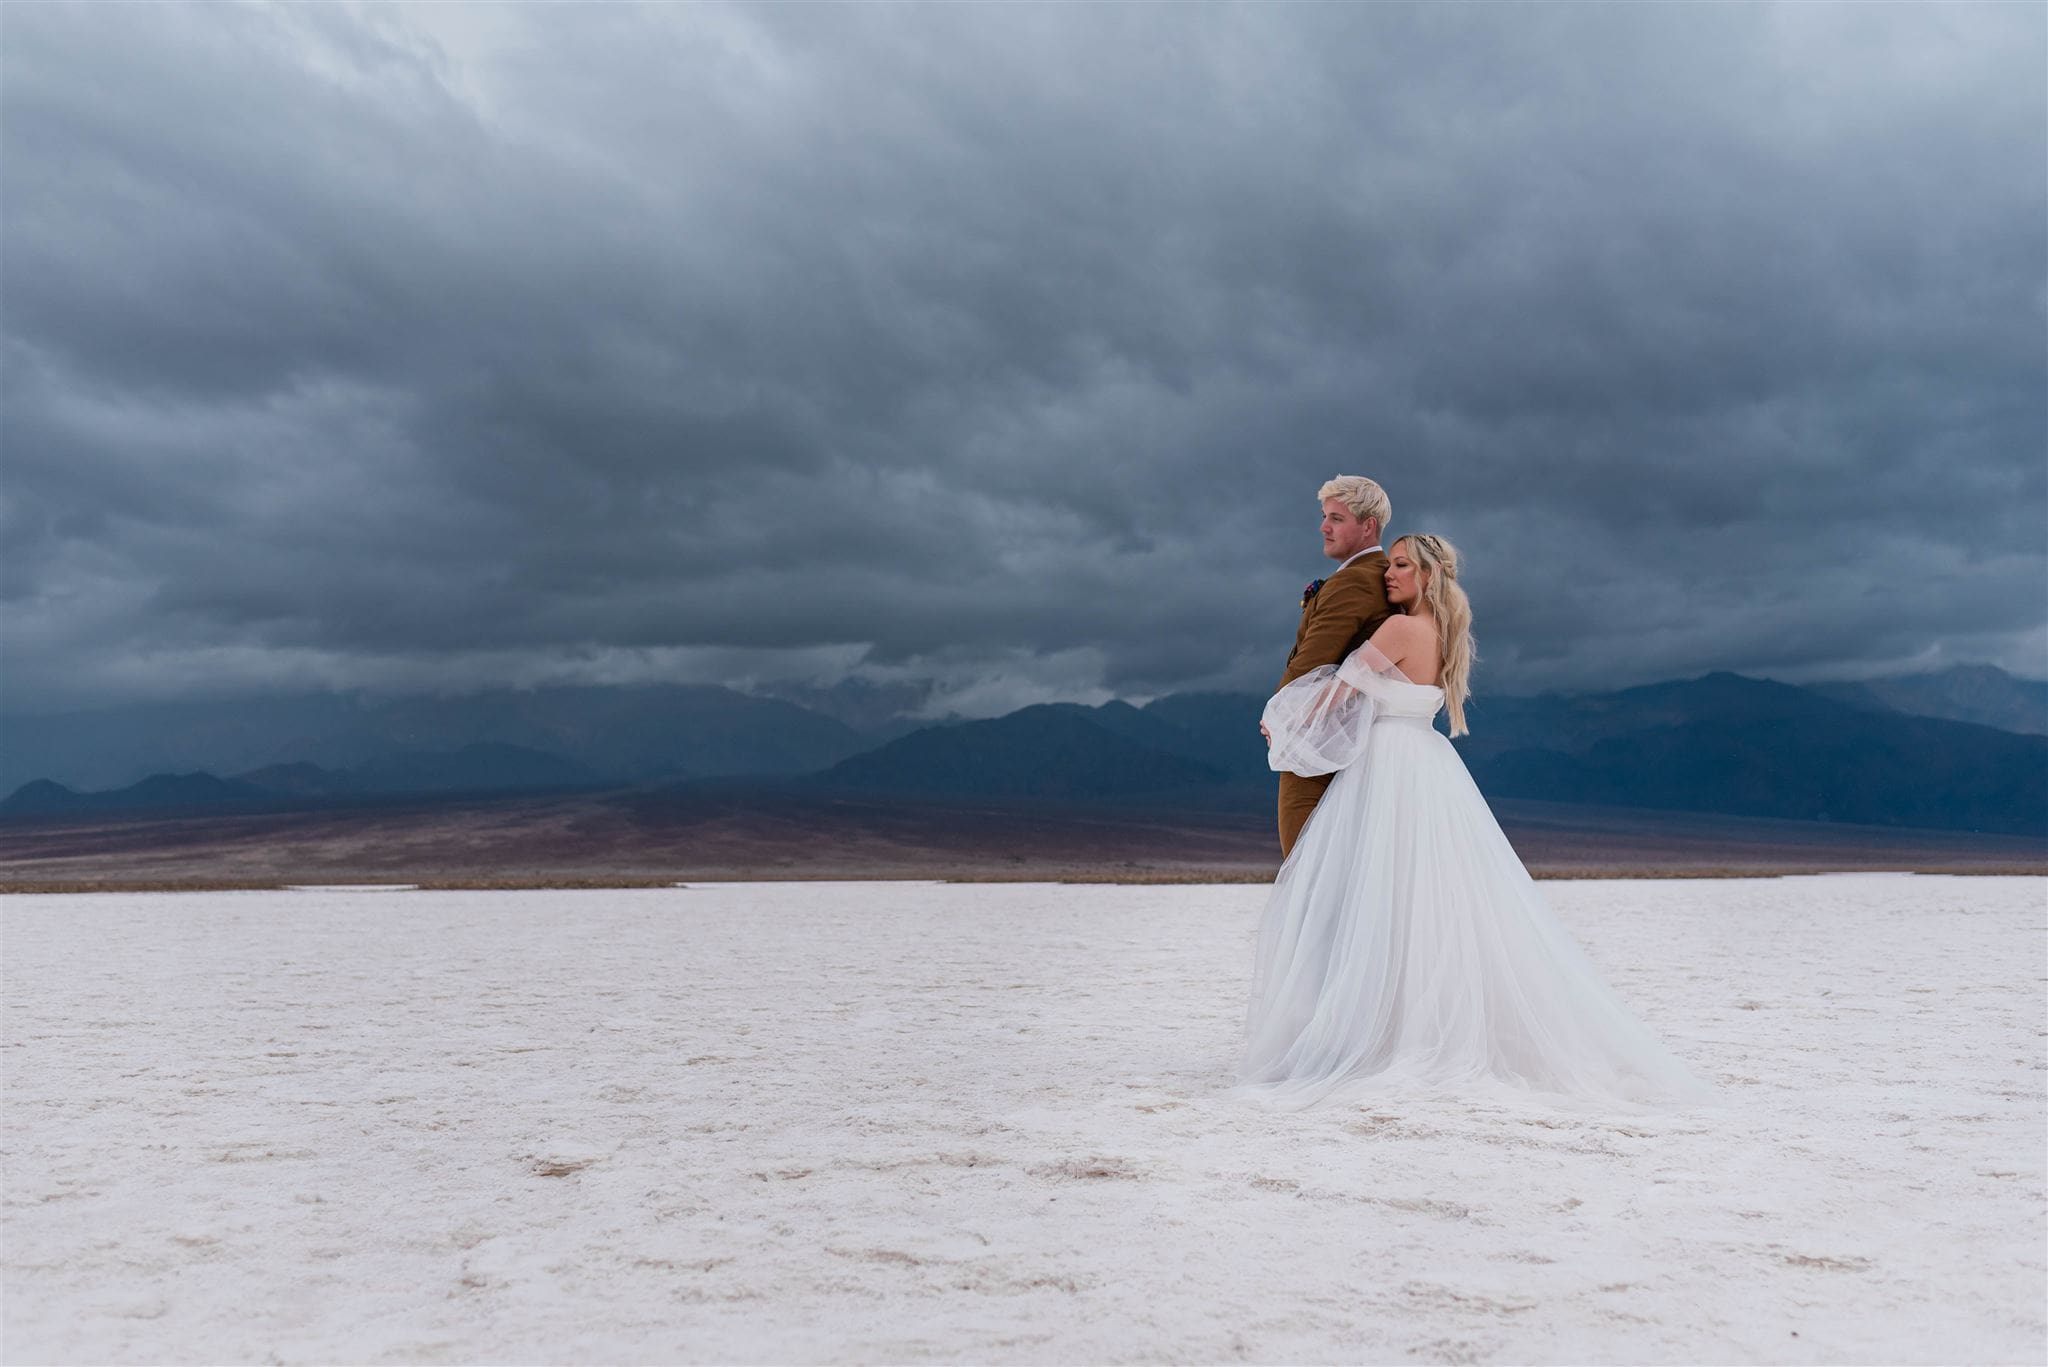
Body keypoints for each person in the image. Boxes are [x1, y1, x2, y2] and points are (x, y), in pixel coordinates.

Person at [1238, 534, 1713, 1109]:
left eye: (1401, 566)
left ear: (1428, 577)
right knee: (1431, 902)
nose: (1389, 575)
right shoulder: (1446, 636)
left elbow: (1335, 694)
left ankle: (1374, 1030)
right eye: (1388, 564)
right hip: (1430, 765)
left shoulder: (1397, 631)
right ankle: (1412, 1023)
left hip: (1387, 769)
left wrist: (1280, 722)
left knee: (1380, 898)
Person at [1267, 476, 1395, 858]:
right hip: (1356, 739)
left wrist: (1279, 715)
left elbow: (1312, 663)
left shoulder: (1355, 582)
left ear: (1368, 525)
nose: (1324, 527)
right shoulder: (1383, 575)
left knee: (1304, 863)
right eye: (1324, 517)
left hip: (1318, 743)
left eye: (1336, 518)